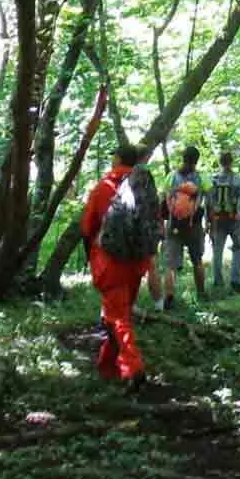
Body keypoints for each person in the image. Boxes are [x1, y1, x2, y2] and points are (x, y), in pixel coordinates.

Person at [81, 141, 157, 387]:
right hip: (136, 262)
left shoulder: (104, 188)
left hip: (109, 262)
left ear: (116, 159)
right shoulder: (143, 186)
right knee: (120, 316)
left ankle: (133, 368)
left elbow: (87, 227)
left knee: (118, 317)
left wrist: (89, 257)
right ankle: (106, 366)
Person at [156, 143, 208, 309]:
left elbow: (163, 200)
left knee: (170, 265)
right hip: (194, 225)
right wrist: (210, 223)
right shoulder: (202, 178)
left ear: (183, 158)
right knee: (197, 261)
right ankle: (201, 293)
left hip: (174, 224)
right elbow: (209, 202)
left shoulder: (171, 176)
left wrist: (161, 222)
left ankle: (169, 296)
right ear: (196, 161)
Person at [205, 148, 240, 294]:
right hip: (234, 219)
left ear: (220, 162)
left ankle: (218, 282)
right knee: (238, 249)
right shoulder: (238, 179)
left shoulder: (213, 179)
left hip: (217, 220)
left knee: (217, 251)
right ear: (231, 162)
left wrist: (207, 221)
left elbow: (208, 202)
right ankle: (235, 280)